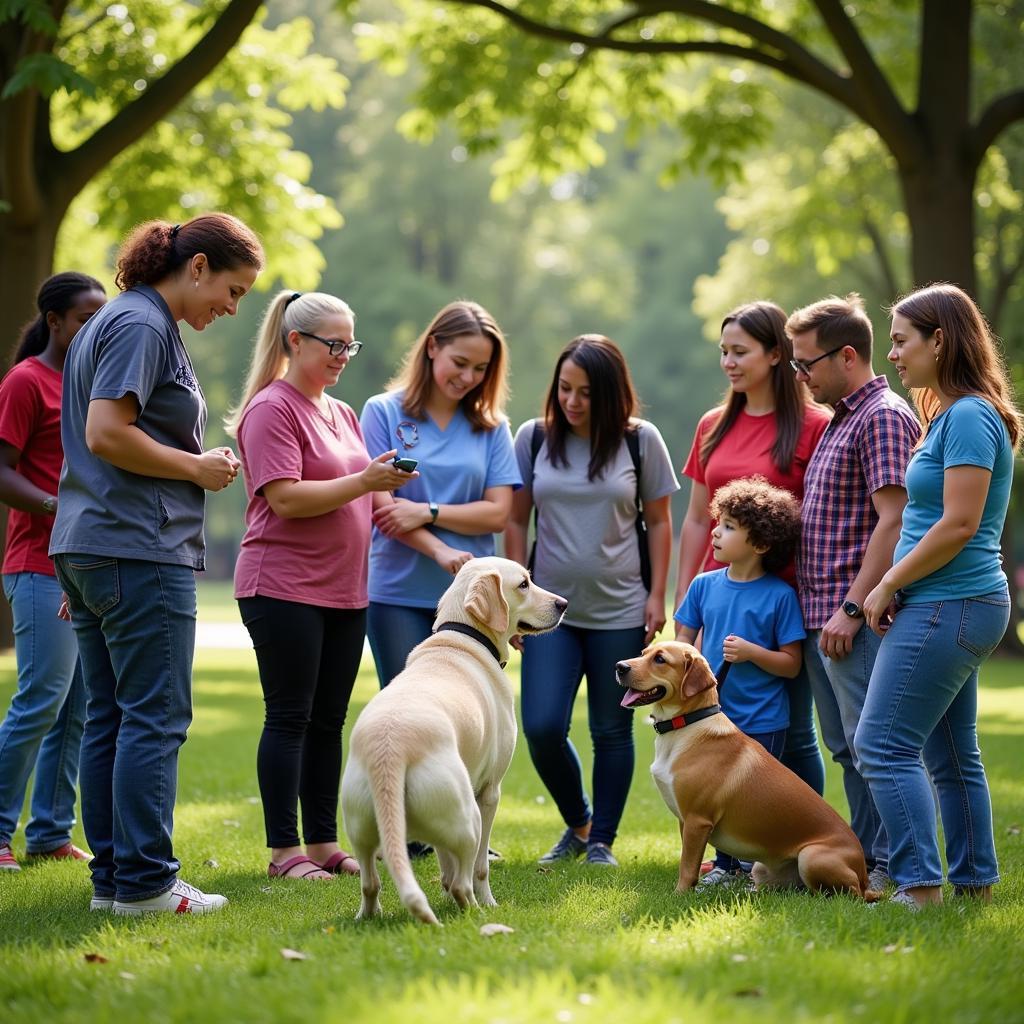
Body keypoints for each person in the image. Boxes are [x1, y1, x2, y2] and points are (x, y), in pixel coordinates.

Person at [50, 214, 263, 915]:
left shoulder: (114, 321)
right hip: (135, 546)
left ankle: (115, 885)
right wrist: (197, 468)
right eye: (231, 291)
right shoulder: (142, 325)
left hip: (92, 543)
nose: (231, 309)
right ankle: (145, 883)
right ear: (196, 266)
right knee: (154, 716)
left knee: (112, 715)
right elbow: (106, 433)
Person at [228, 290, 419, 882]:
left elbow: (359, 491)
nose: (344, 355)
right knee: (289, 716)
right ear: (295, 341)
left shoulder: (338, 412)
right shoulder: (271, 408)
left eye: (349, 344)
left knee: (328, 721)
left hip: (343, 590)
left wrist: (383, 482)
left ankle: (321, 841)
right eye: (333, 344)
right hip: (282, 586)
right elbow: (284, 498)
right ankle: (284, 852)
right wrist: (365, 479)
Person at [856, 283, 1020, 910]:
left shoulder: (973, 416)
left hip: (950, 604)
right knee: (951, 753)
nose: (893, 354)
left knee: (882, 744)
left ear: (940, 340)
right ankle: (975, 883)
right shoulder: (949, 415)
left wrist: (888, 583)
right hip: (947, 604)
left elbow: (959, 524)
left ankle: (920, 888)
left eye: (901, 340)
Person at [506, 335, 679, 867]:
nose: (572, 401)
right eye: (564, 389)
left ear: (610, 394)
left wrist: (657, 596)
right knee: (540, 726)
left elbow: (660, 521)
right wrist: (514, 602)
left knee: (610, 728)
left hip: (621, 610)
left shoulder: (640, 441)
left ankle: (601, 840)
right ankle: (578, 823)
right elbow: (515, 519)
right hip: (548, 616)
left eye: (585, 392)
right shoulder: (533, 438)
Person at [786, 294, 920, 892]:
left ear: (846, 355)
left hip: (855, 615)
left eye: (805, 364)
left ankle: (897, 864)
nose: (800, 376)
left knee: (874, 746)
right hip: (821, 615)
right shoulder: (844, 415)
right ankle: (869, 859)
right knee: (844, 746)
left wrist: (850, 608)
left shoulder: (883, 416)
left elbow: (894, 520)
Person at [673, 301, 831, 798]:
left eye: (740, 351)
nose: (729, 363)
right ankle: (732, 849)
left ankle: (802, 833)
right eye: (724, 352)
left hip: (783, 600)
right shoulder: (711, 424)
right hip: (716, 596)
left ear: (777, 354)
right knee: (713, 723)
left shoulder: (814, 425)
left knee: (793, 729)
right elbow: (698, 518)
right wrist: (683, 600)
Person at [0, 272, 106, 872]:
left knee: (78, 705)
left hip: (86, 565)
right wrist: (54, 504)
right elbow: (2, 470)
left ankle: (49, 832)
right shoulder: (25, 382)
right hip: (37, 563)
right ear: (55, 320)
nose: (94, 326)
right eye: (83, 317)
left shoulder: (94, 385)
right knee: (41, 698)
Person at [360, 300, 521, 689]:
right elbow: (385, 510)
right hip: (399, 593)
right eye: (460, 362)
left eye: (480, 369)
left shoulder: (493, 427)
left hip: (475, 602)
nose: (468, 377)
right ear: (433, 347)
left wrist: (428, 511)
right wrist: (440, 550)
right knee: (407, 713)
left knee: (467, 716)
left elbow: (498, 513)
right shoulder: (382, 412)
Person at [674, 476, 805, 885]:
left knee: (752, 796)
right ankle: (726, 866)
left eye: (729, 526)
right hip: (711, 719)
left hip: (763, 719)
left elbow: (791, 665)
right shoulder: (703, 586)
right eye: (719, 521)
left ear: (761, 544)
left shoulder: (780, 596)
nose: (715, 530)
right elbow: (681, 644)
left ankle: (750, 864)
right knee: (712, 790)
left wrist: (752, 653)